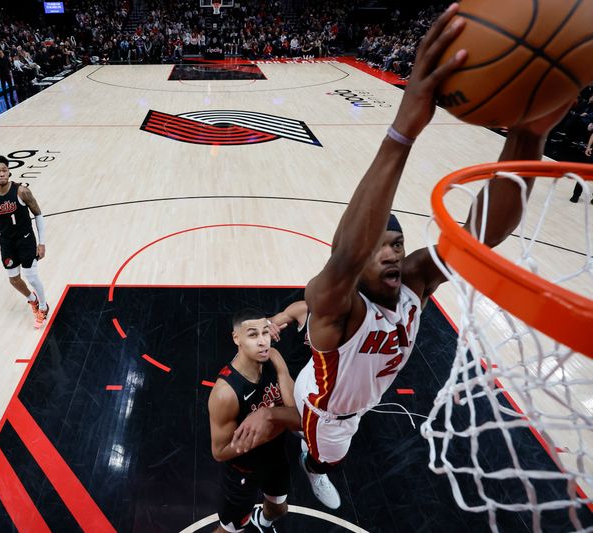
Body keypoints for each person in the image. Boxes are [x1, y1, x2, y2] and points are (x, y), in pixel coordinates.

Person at [230, 3, 577, 510]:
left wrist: (529, 137)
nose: (392, 253)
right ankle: (312, 462)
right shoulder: (334, 303)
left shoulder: (416, 277)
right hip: (331, 414)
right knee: (327, 456)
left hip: (334, 390)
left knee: (316, 402)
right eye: (379, 249)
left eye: (397, 243)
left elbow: (484, 234)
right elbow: (346, 254)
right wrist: (402, 132)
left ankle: (292, 422)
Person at [208, 309, 299, 533]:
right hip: (244, 470)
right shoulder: (225, 394)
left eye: (265, 333)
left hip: (276, 457)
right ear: (236, 338)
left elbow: (297, 414)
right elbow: (219, 451)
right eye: (252, 335)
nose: (262, 342)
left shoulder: (274, 357)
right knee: (231, 530)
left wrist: (267, 416)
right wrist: (266, 432)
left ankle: (263, 523)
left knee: (279, 510)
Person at [0, 154, 50, 329]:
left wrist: (42, 243)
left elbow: (38, 213)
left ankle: (43, 306)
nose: (2, 173)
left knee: (31, 276)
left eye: (4, 170)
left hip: (25, 239)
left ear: (9, 171)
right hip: (6, 242)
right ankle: (32, 300)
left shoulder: (21, 191)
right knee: (14, 280)